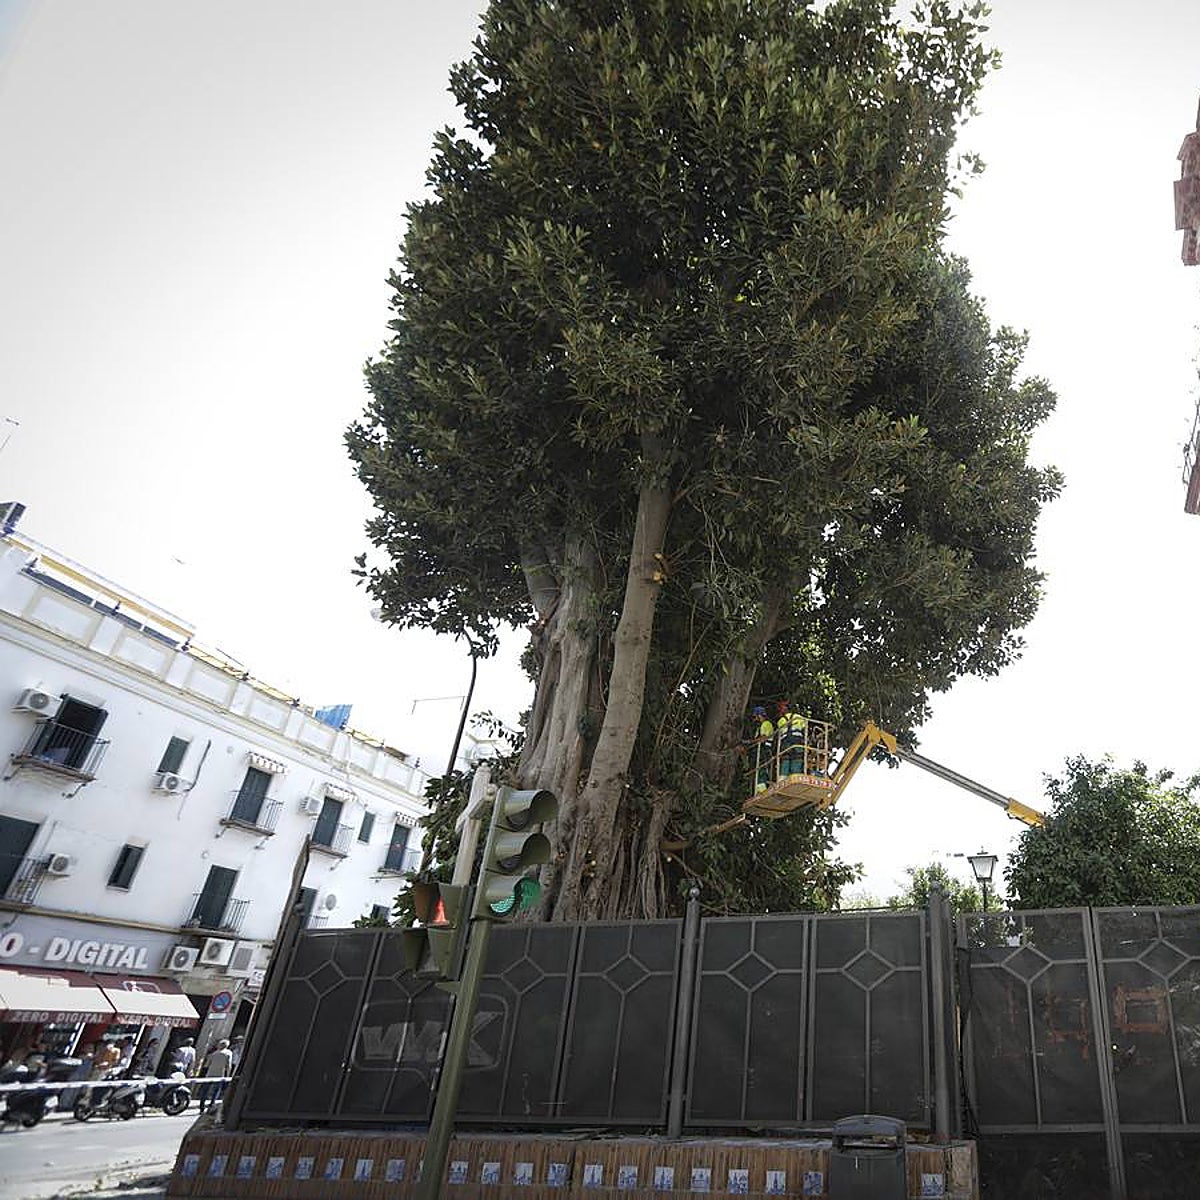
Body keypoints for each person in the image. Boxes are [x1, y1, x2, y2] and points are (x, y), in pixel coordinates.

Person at [198, 1039, 233, 1113]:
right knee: (216, 1091)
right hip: (220, 1074)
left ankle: (202, 1106)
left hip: (210, 1074)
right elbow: (228, 1066)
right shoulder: (228, 1053)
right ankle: (211, 1105)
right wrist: (228, 1075)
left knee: (205, 1090)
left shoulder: (213, 1054)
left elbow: (207, 1065)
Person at [777, 702, 808, 780]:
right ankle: (796, 778)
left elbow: (780, 735)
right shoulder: (799, 717)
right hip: (798, 743)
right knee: (797, 760)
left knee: (785, 761)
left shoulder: (780, 721)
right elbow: (805, 731)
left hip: (786, 743)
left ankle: (782, 779)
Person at [750, 705, 775, 793]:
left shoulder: (766, 724)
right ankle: (759, 790)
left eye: (755, 717)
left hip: (764, 750)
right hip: (760, 751)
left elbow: (763, 738)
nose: (755, 719)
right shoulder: (759, 727)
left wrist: (750, 742)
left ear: (759, 715)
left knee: (762, 771)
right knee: (758, 771)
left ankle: (763, 791)